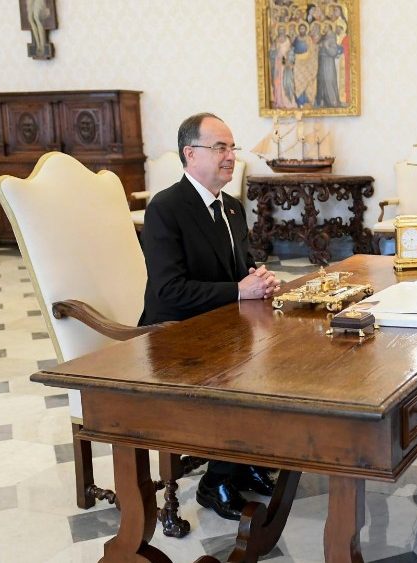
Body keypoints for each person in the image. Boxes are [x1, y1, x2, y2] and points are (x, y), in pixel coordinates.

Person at [140, 113, 283, 520]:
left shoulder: (233, 208)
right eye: (220, 147)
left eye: (231, 147)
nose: (230, 155)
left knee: (284, 359)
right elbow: (168, 291)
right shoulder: (166, 209)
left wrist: (258, 276)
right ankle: (215, 480)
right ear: (190, 154)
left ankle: (248, 459)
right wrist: (240, 290)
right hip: (175, 336)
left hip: (225, 327)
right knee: (244, 374)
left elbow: (242, 268)